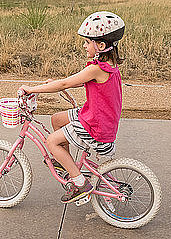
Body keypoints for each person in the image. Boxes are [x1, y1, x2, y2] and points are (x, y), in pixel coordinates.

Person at [18, 11, 124, 204]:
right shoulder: (107, 66)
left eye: (86, 42)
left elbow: (65, 84)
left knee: (52, 142)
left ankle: (79, 183)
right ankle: (63, 160)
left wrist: (32, 88)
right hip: (97, 116)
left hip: (96, 124)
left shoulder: (96, 69)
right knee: (57, 119)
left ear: (100, 45)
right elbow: (74, 81)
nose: (84, 45)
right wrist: (55, 83)